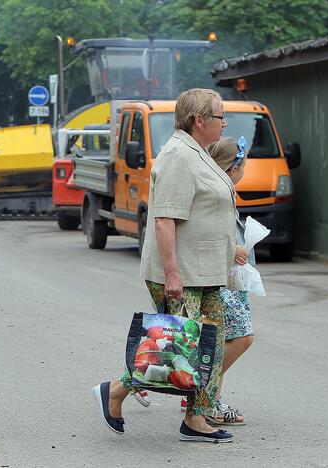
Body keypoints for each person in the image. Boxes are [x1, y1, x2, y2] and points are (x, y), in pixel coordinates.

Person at [93, 88, 236, 443]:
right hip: (182, 273)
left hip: (204, 272)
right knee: (175, 348)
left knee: (210, 345)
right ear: (199, 121)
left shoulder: (197, 153)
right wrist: (172, 273)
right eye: (220, 117)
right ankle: (114, 390)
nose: (224, 123)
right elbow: (164, 220)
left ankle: (196, 418)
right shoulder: (177, 156)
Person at [205, 136, 254, 426]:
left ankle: (210, 399)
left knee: (224, 340)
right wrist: (232, 249)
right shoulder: (221, 193)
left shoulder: (224, 191)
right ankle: (203, 390)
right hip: (221, 280)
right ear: (234, 169)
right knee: (241, 337)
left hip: (227, 278)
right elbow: (212, 233)